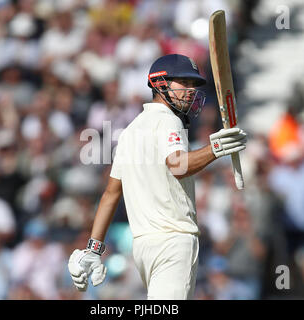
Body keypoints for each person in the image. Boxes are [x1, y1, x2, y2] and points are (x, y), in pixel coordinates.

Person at [67, 54, 248, 299]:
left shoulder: (130, 131)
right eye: (184, 83)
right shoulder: (169, 120)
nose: (190, 91)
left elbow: (111, 193)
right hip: (174, 240)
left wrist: (94, 249)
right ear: (160, 83)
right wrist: (216, 149)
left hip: (143, 246)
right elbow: (177, 165)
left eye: (193, 86)